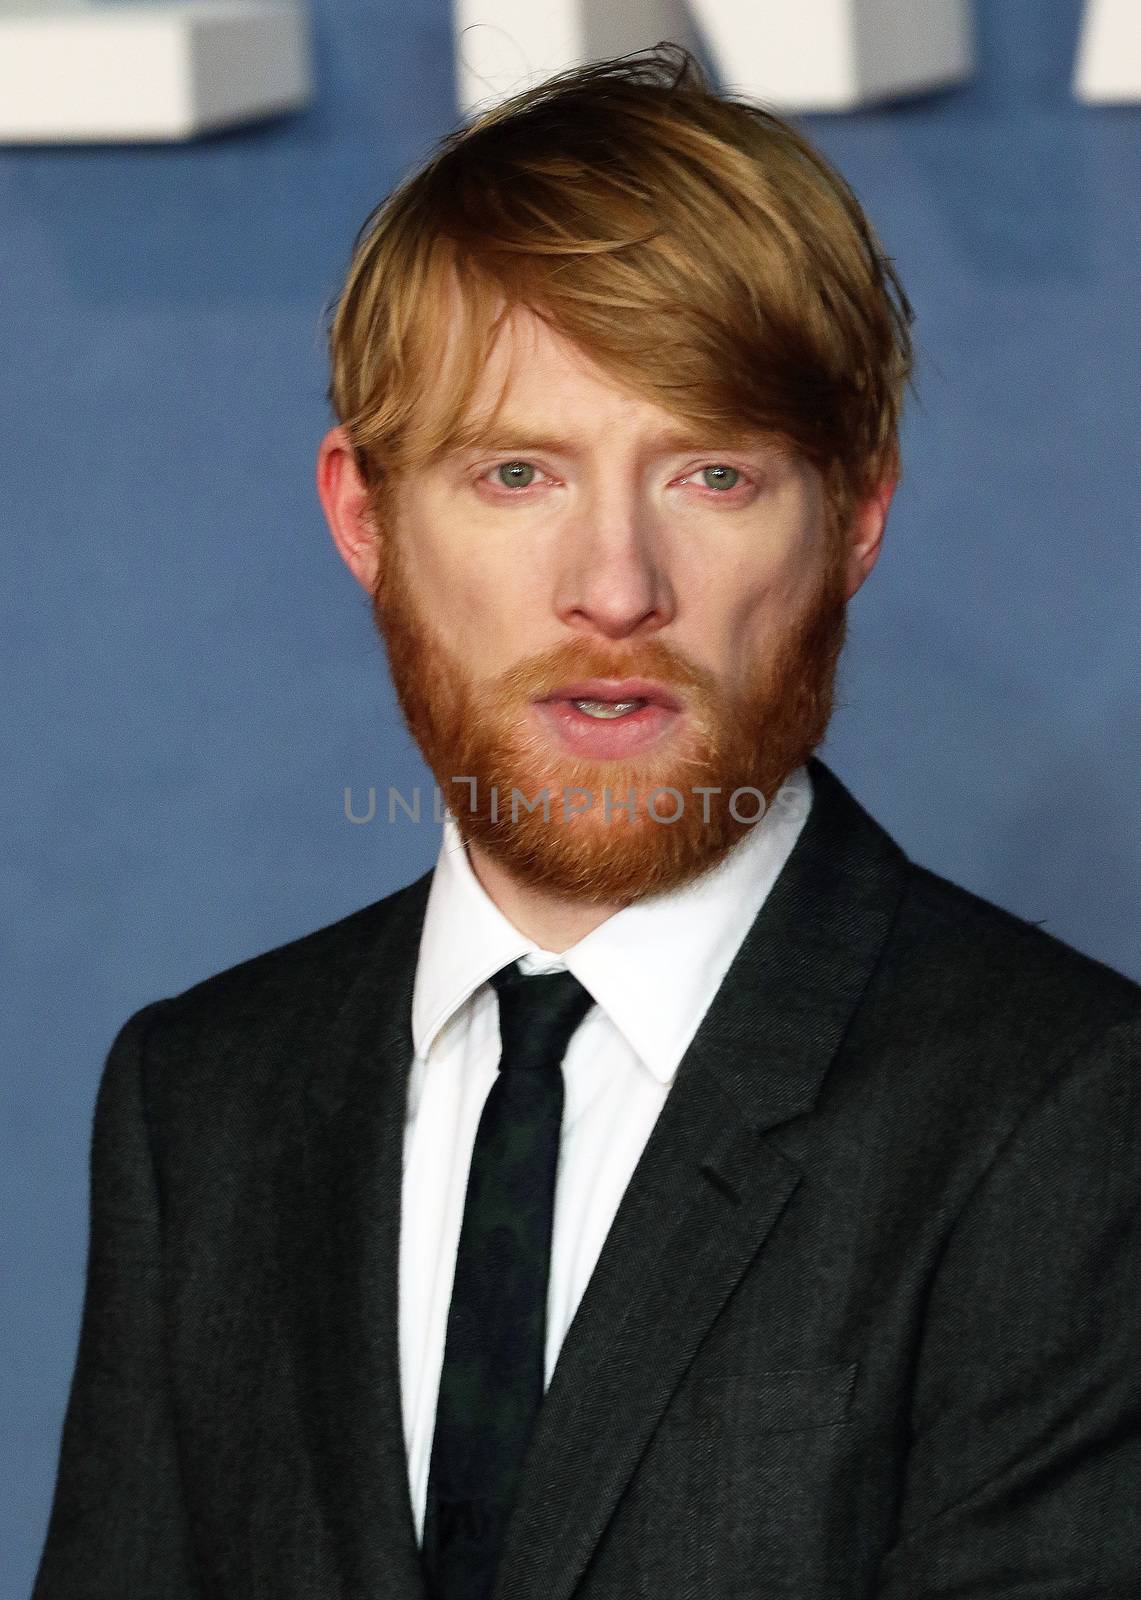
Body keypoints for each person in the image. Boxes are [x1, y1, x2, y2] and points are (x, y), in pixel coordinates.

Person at [34, 43, 1140, 1600]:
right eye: (514, 473)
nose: (613, 587)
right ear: (366, 519)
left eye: (709, 475)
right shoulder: (200, 1099)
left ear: (855, 520)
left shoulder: (1072, 1115)